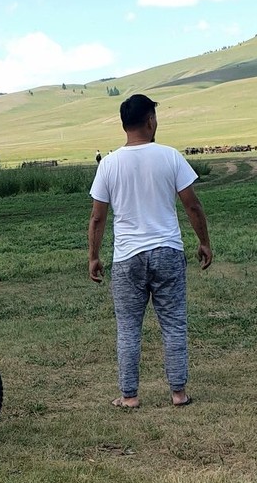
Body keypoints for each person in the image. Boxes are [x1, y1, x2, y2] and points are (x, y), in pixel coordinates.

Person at [87, 93, 212, 409]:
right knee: (173, 324)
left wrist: (94, 256)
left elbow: (98, 216)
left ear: (124, 124)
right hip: (167, 250)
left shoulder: (109, 164)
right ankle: (178, 393)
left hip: (127, 257)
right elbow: (192, 205)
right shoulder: (170, 157)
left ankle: (129, 396)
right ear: (149, 121)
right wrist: (204, 242)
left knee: (128, 329)